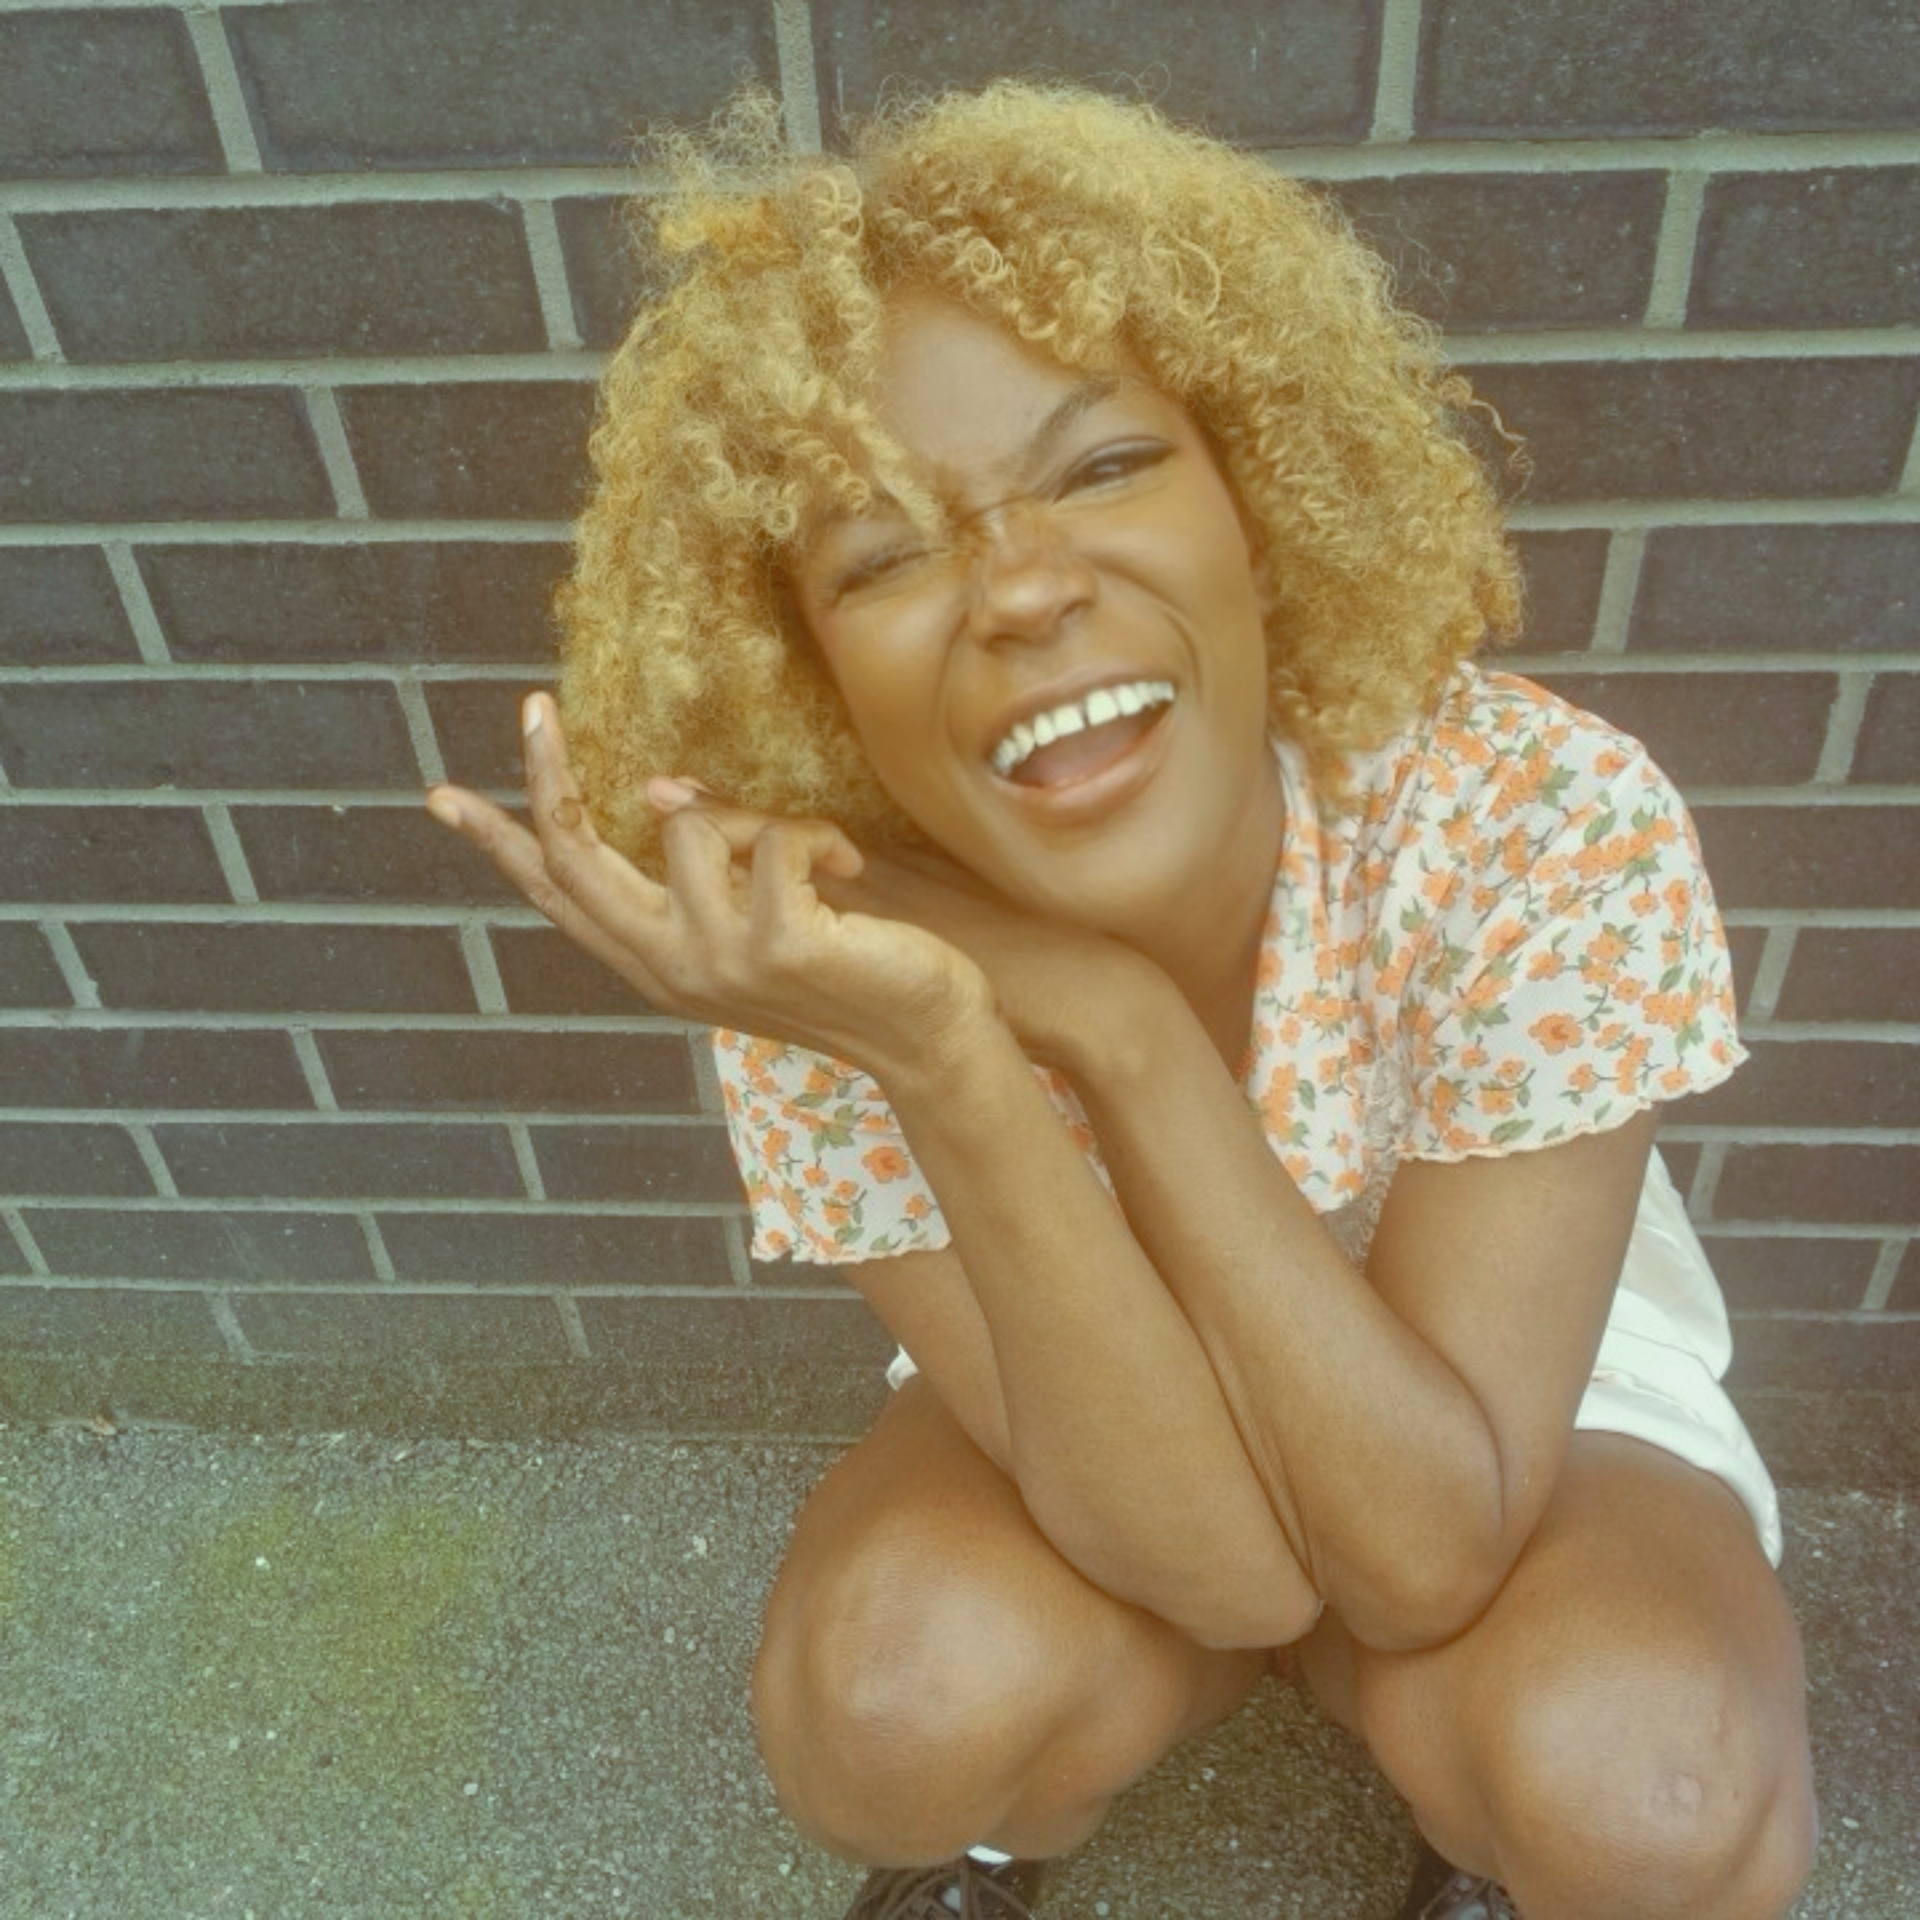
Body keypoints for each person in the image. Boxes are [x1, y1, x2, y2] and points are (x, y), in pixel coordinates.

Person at [426, 83, 1817, 1920]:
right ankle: (1016, 1828)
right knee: (887, 1716)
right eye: (886, 551)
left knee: (1640, 1794)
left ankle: (1477, 1814)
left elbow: (1420, 1562)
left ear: (1256, 494)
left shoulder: (1533, 818)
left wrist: (1124, 1029)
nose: (1020, 587)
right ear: (808, 669)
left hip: (1516, 1393)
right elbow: (1236, 1581)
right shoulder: (818, 950)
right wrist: (947, 1050)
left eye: (1101, 467)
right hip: (1091, 1364)